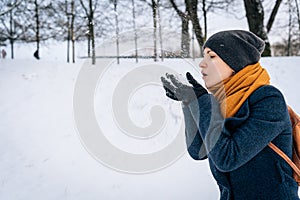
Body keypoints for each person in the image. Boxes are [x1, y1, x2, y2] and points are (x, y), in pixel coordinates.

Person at [161, 30, 299, 200]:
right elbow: (198, 151)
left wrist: (203, 102)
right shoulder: (219, 102)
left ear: (235, 61)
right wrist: (190, 102)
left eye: (211, 57)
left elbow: (227, 157)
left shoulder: (269, 100)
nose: (202, 64)